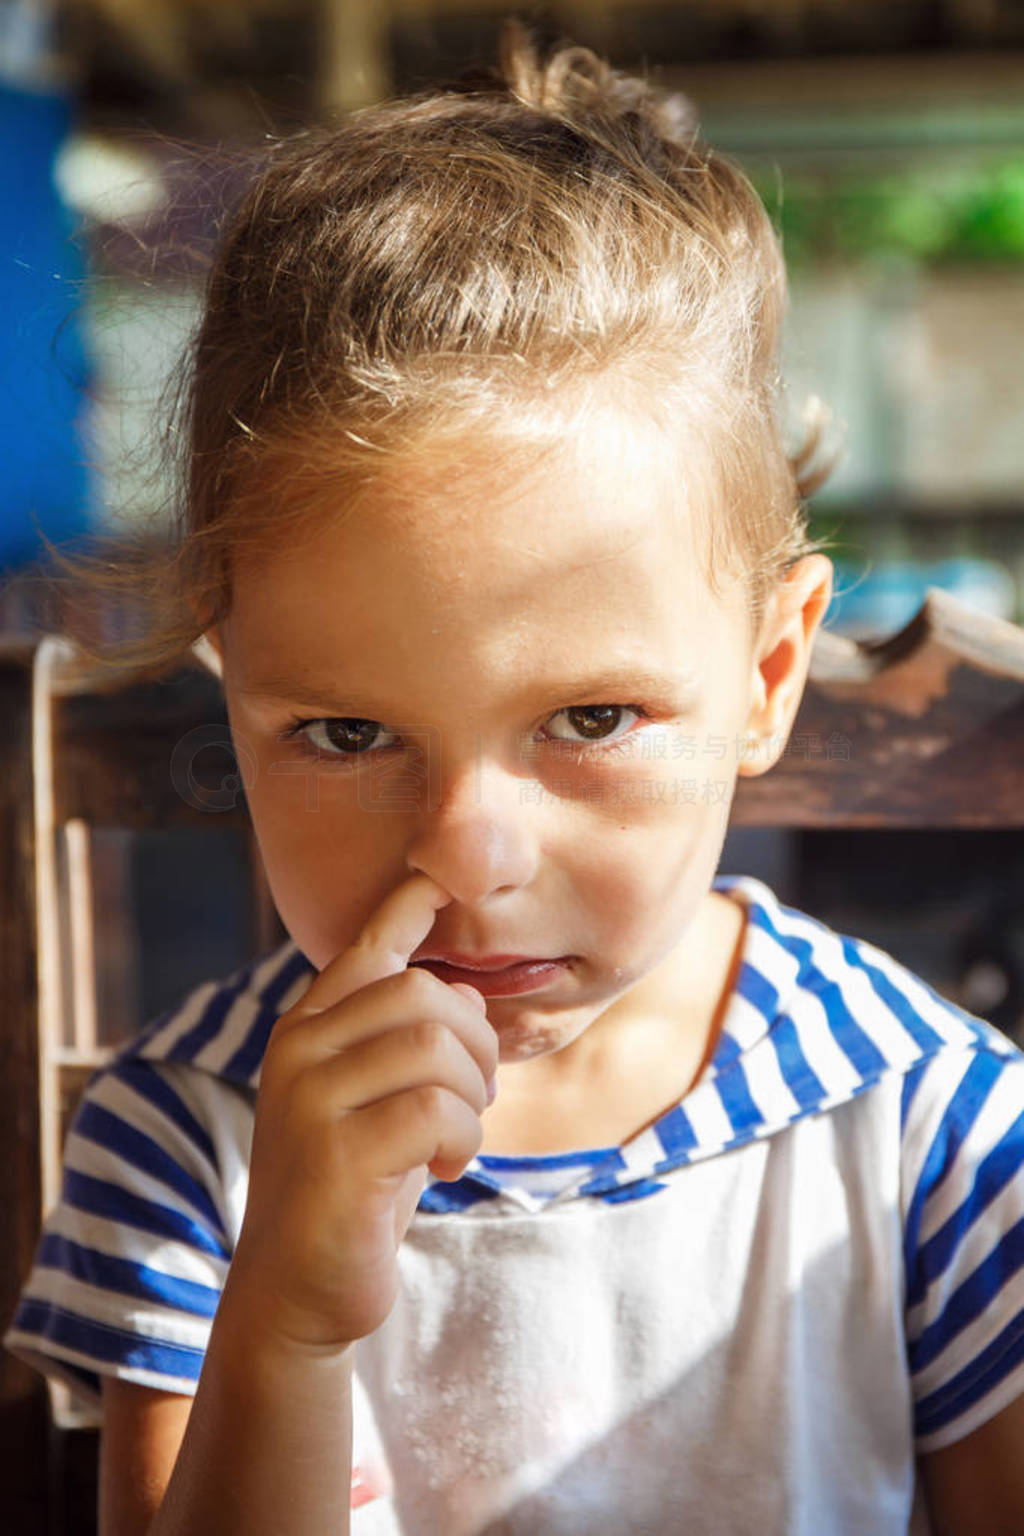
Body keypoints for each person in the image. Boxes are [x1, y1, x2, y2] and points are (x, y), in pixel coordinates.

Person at [7, 25, 1024, 1535]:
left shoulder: (930, 1131)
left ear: (763, 677)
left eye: (592, 718)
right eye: (348, 734)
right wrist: (283, 1312)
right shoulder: (190, 1147)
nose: (469, 856)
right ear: (232, 685)